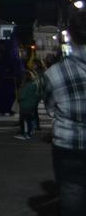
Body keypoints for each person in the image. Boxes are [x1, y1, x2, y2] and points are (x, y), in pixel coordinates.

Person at [41, 11, 86, 215]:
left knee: (71, 197)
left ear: (72, 35)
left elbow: (51, 108)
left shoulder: (54, 73)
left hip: (69, 144)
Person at [0, 39, 22, 116]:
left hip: (9, 80)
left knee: (9, 96)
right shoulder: (3, 55)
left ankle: (8, 109)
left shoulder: (11, 56)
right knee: (4, 95)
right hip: (4, 79)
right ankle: (3, 109)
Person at [15, 70, 40, 140]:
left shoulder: (26, 86)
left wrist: (19, 98)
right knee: (30, 120)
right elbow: (38, 95)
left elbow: (22, 96)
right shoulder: (35, 85)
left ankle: (24, 133)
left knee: (22, 120)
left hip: (24, 105)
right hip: (32, 105)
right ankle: (30, 131)